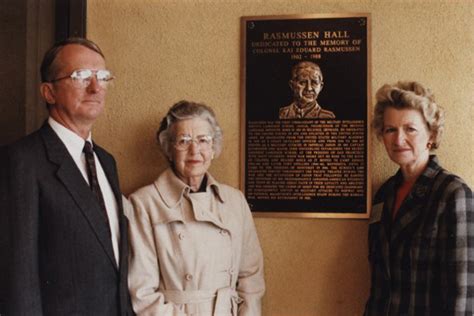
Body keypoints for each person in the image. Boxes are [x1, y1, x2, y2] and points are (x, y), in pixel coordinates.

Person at [0, 38, 134, 315]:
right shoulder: (22, 161)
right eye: (81, 76)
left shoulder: (106, 162)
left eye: (102, 77)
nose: (96, 87)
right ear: (49, 92)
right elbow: (18, 275)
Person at [127, 100, 265, 315]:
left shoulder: (235, 201)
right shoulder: (144, 203)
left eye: (203, 140)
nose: (194, 150)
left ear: (213, 148)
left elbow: (251, 278)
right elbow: (141, 292)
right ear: (169, 149)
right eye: (184, 141)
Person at [364, 81, 473, 315]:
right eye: (390, 129)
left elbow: (462, 296)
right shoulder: (383, 195)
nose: (398, 139)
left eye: (410, 129)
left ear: (431, 134)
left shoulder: (453, 194)